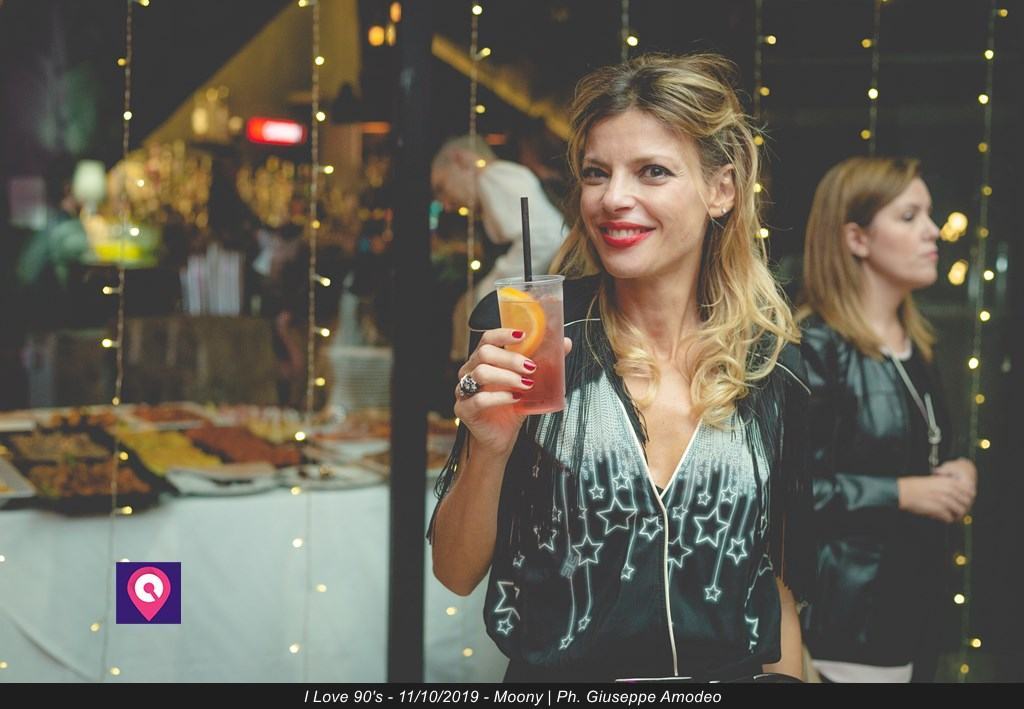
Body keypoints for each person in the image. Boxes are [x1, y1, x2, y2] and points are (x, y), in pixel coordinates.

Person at [427, 54, 814, 682]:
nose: (613, 199)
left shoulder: (769, 363)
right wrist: (489, 449)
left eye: (652, 171)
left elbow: (775, 581)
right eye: (596, 173)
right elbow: (454, 571)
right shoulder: (532, 332)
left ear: (721, 190)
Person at [796, 157, 977, 683]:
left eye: (929, 214)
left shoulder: (916, 343)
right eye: (909, 216)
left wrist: (959, 469)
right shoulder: (817, 346)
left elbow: (923, 448)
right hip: (848, 625)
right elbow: (790, 494)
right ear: (856, 238)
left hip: (915, 614)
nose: (932, 231)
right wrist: (903, 493)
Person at [431, 135, 567, 359]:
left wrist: (492, 291)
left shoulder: (493, 177)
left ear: (460, 160)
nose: (445, 202)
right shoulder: (502, 176)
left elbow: (545, 237)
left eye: (442, 187)